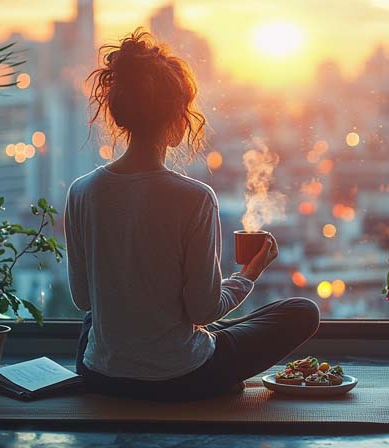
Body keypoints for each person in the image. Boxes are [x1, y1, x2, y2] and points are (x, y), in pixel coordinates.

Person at [65, 29, 319, 402]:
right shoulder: (195, 198)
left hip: (100, 374)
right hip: (182, 377)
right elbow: (203, 309)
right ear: (178, 121)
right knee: (303, 311)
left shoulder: (82, 191)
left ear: (120, 116)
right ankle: (196, 362)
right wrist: (250, 273)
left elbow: (83, 301)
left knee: (101, 320)